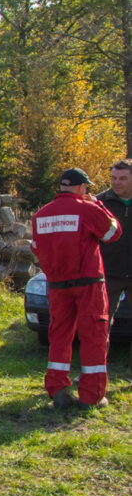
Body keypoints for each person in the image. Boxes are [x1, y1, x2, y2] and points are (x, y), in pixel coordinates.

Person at [31, 168, 121, 410]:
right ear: (82, 188)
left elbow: (36, 247)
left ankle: (58, 389)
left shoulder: (41, 215)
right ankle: (92, 395)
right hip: (88, 282)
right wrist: (100, 206)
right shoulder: (87, 208)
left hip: (58, 284)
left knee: (59, 335)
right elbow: (113, 233)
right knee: (94, 334)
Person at [97, 159, 132, 371]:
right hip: (108, 273)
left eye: (123, 178)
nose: (116, 183)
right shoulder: (100, 202)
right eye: (113, 178)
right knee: (100, 323)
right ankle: (97, 369)